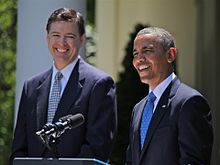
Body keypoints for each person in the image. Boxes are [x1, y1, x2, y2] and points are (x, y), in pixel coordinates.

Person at [10, 8, 117, 163]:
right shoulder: (31, 87)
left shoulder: (100, 84)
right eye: (56, 35)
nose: (61, 43)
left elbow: (97, 148)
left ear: (82, 39)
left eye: (69, 36)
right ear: (47, 37)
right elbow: (19, 149)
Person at [126, 26, 213, 165]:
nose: (139, 59)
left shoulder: (190, 102)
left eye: (147, 51)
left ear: (170, 55)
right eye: (135, 54)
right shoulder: (138, 108)